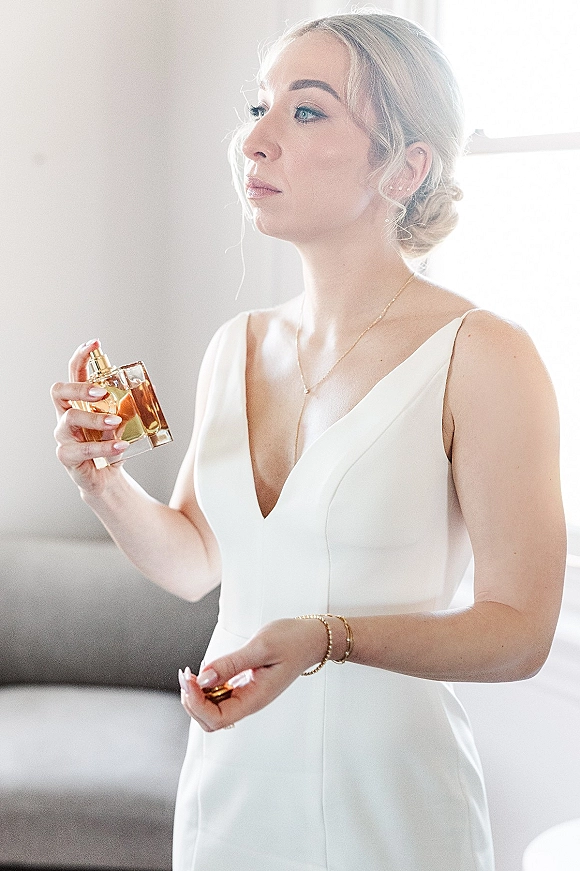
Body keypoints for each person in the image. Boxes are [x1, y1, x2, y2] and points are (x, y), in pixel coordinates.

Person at [51, 11, 566, 871]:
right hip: (229, 789)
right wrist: (101, 479)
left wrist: (326, 637)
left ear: (405, 167)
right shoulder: (235, 345)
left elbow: (519, 633)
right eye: (258, 107)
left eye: (308, 110)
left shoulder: (486, 355)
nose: (255, 140)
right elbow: (194, 564)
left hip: (391, 806)